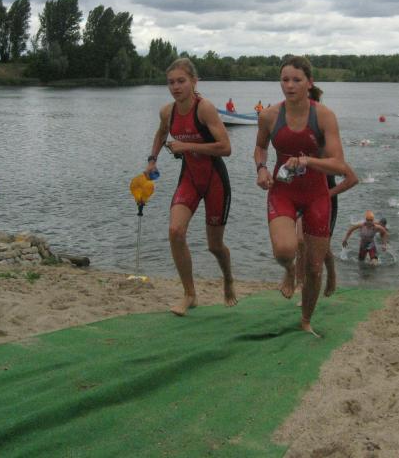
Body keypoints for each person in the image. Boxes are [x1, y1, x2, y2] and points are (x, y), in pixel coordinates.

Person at [254, 55, 347, 336]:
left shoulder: (324, 116)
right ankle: (288, 270)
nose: (290, 85)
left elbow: (339, 164)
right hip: (283, 191)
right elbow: (261, 148)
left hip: (316, 194)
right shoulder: (269, 116)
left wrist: (308, 161)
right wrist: (261, 168)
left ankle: (306, 320)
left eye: (297, 80)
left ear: (309, 82)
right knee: (284, 250)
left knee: (315, 268)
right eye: (285, 80)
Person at [145, 58, 236, 316]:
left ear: (194, 82)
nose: (175, 87)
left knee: (215, 246)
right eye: (171, 82)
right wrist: (152, 160)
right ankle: (190, 294)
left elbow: (226, 148)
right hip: (190, 178)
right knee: (175, 231)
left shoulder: (204, 108)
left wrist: (187, 146)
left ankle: (228, 278)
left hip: (215, 180)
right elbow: (161, 133)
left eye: (181, 81)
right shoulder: (167, 112)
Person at [295, 163, 359, 300]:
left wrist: (326, 195)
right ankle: (300, 282)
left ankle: (331, 274)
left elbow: (352, 179)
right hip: (303, 200)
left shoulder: (328, 156)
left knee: (322, 248)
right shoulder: (300, 154)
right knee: (300, 241)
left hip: (326, 203)